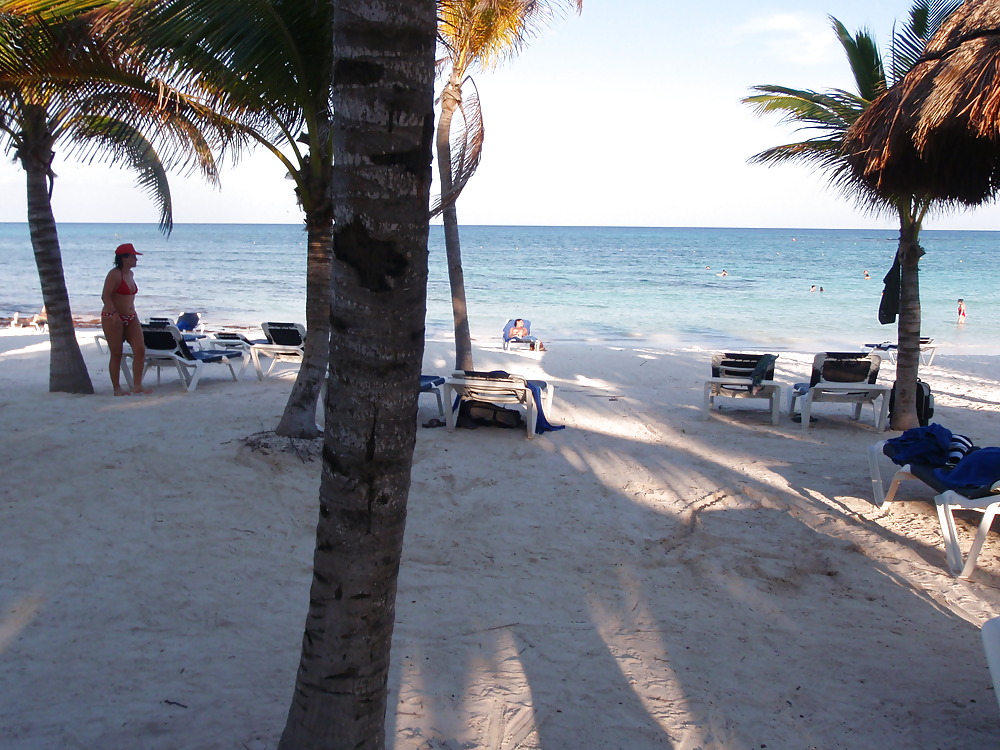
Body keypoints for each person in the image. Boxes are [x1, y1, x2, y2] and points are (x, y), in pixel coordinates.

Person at [101, 243, 150, 395]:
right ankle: (117, 388)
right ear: (124, 258)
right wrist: (114, 313)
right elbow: (105, 296)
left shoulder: (130, 274)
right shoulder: (114, 274)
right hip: (113, 316)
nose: (136, 259)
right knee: (117, 353)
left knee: (140, 349)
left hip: (131, 316)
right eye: (133, 256)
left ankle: (137, 385)